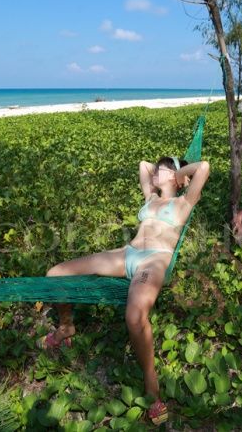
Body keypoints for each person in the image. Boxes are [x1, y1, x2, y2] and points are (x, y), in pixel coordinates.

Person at [40, 156, 210, 425]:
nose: (157, 170)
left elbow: (204, 167)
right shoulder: (150, 197)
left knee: (134, 317)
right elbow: (143, 164)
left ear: (180, 179)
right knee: (55, 275)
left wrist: (179, 175)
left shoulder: (183, 203)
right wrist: (163, 171)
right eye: (159, 168)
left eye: (165, 168)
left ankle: (152, 386)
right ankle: (66, 326)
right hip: (126, 254)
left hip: (154, 260)